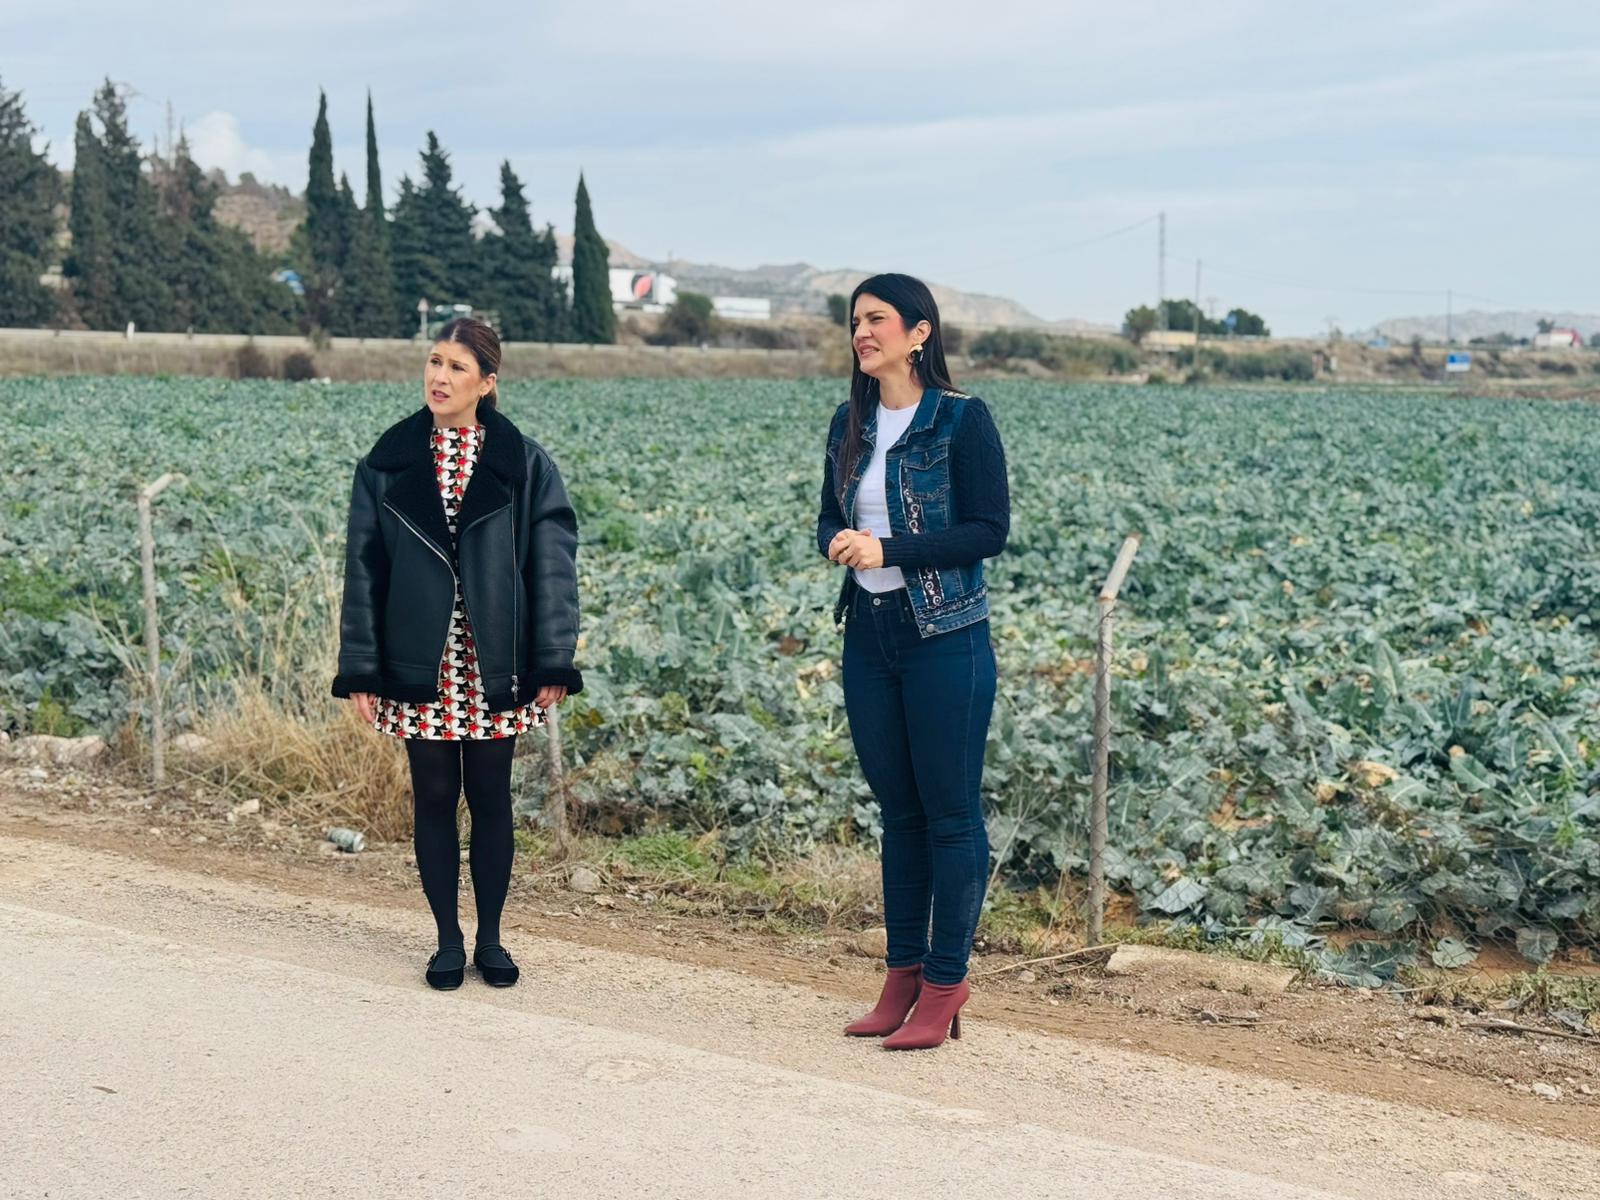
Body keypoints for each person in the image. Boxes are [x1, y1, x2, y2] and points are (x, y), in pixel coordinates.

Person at [332, 317, 582, 990]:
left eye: (457, 367)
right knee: (435, 797)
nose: (439, 377)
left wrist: (553, 657)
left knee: (491, 796)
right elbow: (364, 569)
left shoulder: (525, 464)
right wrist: (361, 667)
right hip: (421, 659)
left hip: (495, 659)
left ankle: (492, 939)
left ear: (487, 383)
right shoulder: (386, 463)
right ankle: (447, 939)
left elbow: (553, 566)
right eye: (434, 362)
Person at [816, 274, 1009, 1050]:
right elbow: (829, 515)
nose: (861, 333)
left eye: (877, 319)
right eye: (854, 322)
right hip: (869, 635)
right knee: (898, 813)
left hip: (945, 638)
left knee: (950, 813)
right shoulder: (849, 421)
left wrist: (889, 549)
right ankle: (901, 977)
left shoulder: (961, 420)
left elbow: (988, 530)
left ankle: (946, 979)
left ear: (919, 333)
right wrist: (838, 540)